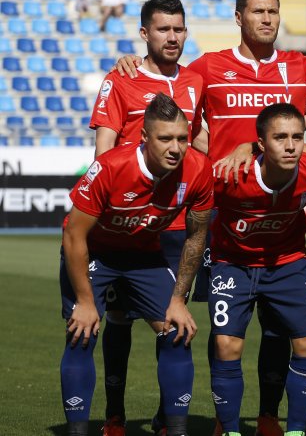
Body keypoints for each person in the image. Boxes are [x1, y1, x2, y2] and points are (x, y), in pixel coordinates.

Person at [115, 0, 306, 436]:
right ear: (239, 18)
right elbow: (174, 110)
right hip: (218, 217)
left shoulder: (300, 67)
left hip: (278, 217)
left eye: (273, 11)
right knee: (220, 331)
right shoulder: (210, 68)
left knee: (279, 327)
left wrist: (294, 125)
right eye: (258, 11)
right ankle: (218, 420)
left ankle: (271, 416)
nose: (267, 19)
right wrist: (131, 67)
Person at [59, 95, 213, 436]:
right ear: (143, 138)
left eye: (182, 139)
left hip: (143, 256)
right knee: (81, 333)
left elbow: (196, 237)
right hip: (96, 253)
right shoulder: (111, 167)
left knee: (177, 331)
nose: (176, 148)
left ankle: (176, 429)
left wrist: (177, 299)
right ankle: (78, 430)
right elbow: (74, 236)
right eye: (165, 139)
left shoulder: (200, 169)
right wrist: (85, 302)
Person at [89, 0, 204, 436]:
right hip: (130, 226)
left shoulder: (195, 80)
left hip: (177, 229)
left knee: (172, 325)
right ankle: (115, 416)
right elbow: (103, 153)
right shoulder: (122, 79)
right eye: (162, 29)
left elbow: (201, 144)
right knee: (118, 320)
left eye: (179, 29)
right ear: (145, 34)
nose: (172, 37)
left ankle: (166, 419)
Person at [208, 104, 306, 436]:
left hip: (287, 264)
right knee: (226, 345)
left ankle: (294, 431)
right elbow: (194, 203)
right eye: (280, 137)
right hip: (233, 265)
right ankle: (231, 430)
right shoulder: (229, 175)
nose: (291, 145)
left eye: (297, 137)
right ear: (261, 144)